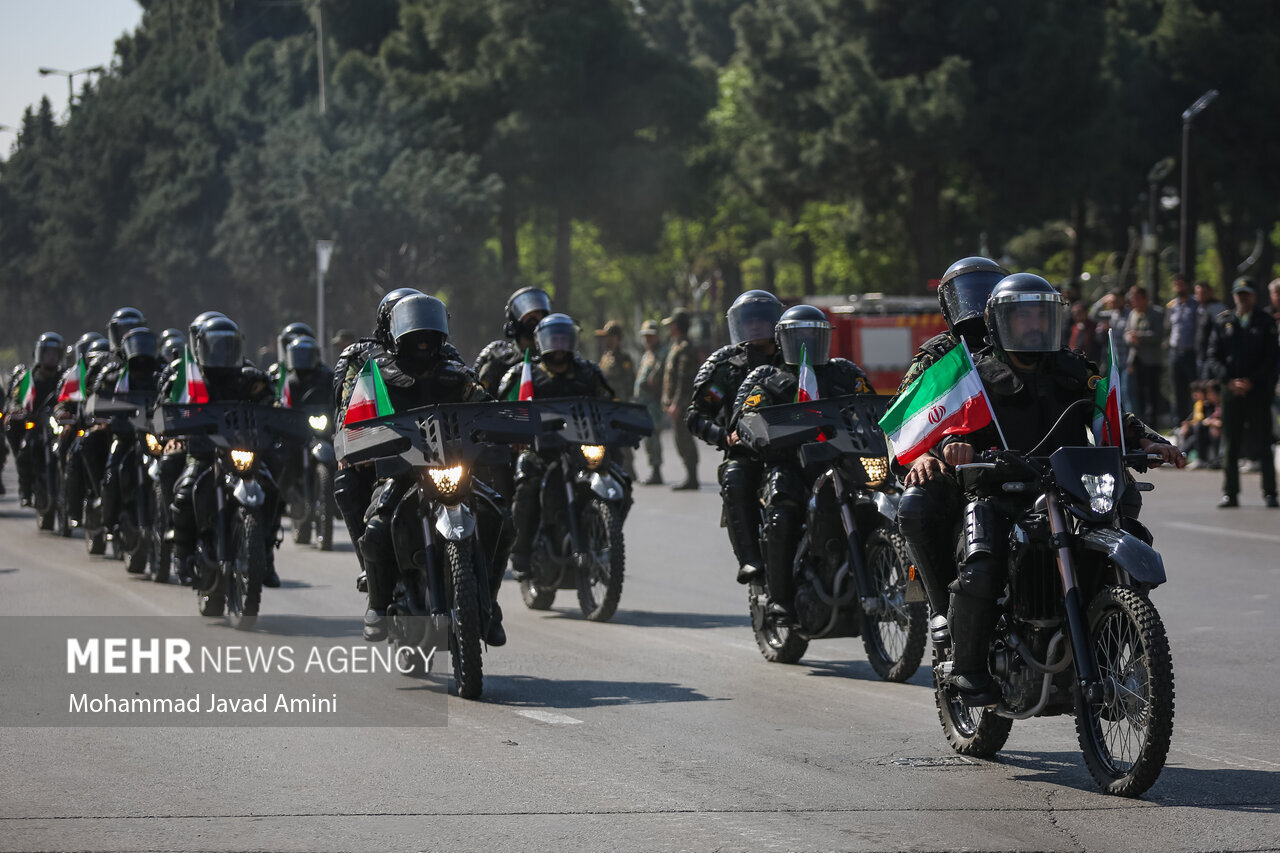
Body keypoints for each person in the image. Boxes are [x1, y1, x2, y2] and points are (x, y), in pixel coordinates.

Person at [911, 274, 1181, 704]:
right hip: (999, 490)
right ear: (999, 321)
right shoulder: (973, 373)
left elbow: (1108, 413)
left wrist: (1149, 441)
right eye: (1022, 316)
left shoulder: (1072, 368)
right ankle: (967, 671)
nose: (1033, 324)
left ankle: (1114, 651)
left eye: (1041, 315)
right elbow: (948, 421)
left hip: (1068, 488)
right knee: (981, 564)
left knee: (1131, 538)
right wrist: (950, 445)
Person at [355, 294, 511, 646]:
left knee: (502, 519)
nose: (422, 339)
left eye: (428, 330)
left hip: (454, 466)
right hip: (402, 473)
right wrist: (360, 448)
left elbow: (485, 406)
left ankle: (490, 603)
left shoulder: (457, 375)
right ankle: (377, 607)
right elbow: (359, 421)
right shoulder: (380, 376)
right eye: (414, 331)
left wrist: (504, 427)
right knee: (376, 529)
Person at [730, 305, 874, 624]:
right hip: (790, 464)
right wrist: (757, 435)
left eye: (814, 334)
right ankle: (780, 600)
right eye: (799, 335)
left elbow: (873, 412)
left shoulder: (846, 373)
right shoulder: (768, 377)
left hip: (844, 462)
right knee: (781, 512)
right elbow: (747, 416)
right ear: (782, 340)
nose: (807, 340)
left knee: (886, 504)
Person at [896, 257, 1006, 622]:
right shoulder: (938, 357)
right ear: (948, 303)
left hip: (1023, 463)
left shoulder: (1027, 347)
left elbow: (1085, 398)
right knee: (915, 505)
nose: (977, 304)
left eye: (987, 293)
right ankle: (946, 612)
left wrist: (1141, 438)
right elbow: (902, 424)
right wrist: (922, 458)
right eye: (968, 294)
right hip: (961, 471)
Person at [499, 313, 615, 581]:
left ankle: (605, 536)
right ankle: (521, 553)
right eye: (554, 339)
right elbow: (502, 410)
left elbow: (609, 405)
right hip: (540, 451)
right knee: (526, 487)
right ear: (541, 342)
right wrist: (514, 432)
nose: (559, 346)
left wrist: (618, 426)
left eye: (564, 339)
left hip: (581, 449)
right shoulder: (524, 373)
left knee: (622, 483)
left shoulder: (589, 372)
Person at [167, 317, 280, 589]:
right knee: (185, 493)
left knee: (272, 489)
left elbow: (270, 402)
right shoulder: (186, 377)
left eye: (226, 346)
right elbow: (168, 406)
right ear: (200, 346)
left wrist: (274, 414)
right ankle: (182, 556)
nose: (220, 352)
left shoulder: (250, 377)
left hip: (241, 450)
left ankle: (265, 554)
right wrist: (174, 429)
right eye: (214, 346)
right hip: (203, 453)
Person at [686, 290, 785, 584]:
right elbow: (696, 415)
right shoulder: (726, 366)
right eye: (748, 320)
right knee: (735, 478)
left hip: (798, 446)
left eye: (762, 319)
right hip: (749, 450)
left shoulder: (795, 355)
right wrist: (724, 437)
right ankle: (750, 559)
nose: (755, 325)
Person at [1204, 277, 1279, 508]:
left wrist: (1252, 382)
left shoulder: (1265, 322)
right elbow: (1213, 355)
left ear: (1254, 295)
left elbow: (1272, 358)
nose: (1242, 297)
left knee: (1263, 442)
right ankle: (1230, 492)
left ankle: (1270, 492)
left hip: (1256, 391)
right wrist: (1228, 380)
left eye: (1246, 293)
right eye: (1239, 293)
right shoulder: (1225, 321)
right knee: (1232, 443)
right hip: (1231, 391)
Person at [5, 332, 64, 504]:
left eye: (55, 353)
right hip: (34, 424)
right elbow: (16, 399)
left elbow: (71, 399)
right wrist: (16, 410)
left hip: (55, 425)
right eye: (48, 353)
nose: (51, 358)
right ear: (39, 353)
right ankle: (25, 489)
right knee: (25, 452)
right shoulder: (27, 378)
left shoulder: (64, 378)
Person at [474, 286, 552, 398]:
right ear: (514, 319)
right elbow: (480, 401)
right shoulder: (499, 357)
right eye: (529, 311)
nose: (535, 316)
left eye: (540, 313)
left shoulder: (554, 357)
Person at [662, 308, 699, 490]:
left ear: (676, 326)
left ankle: (692, 477)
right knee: (680, 438)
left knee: (684, 438)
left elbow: (683, 379)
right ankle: (690, 475)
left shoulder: (685, 347)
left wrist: (676, 403)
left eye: (671, 325)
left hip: (684, 403)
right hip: (679, 402)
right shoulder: (676, 345)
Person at [595, 320, 637, 478]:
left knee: (622, 439)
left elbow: (629, 381)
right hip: (606, 406)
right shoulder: (606, 357)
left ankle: (629, 471)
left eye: (609, 337)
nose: (606, 340)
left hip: (619, 404)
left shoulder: (623, 358)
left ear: (617, 338)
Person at [1124, 286, 1164, 428]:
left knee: (1152, 394)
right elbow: (1127, 334)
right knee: (1138, 394)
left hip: (1152, 361)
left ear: (1145, 298)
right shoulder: (1132, 314)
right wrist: (1131, 339)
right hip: (1136, 361)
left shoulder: (1157, 313)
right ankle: (1141, 424)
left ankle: (1153, 424)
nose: (1134, 302)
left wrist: (1138, 337)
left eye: (1137, 298)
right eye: (1132, 299)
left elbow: (1158, 334)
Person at [632, 320, 667, 484]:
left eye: (650, 336)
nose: (648, 339)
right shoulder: (648, 354)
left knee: (653, 436)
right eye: (645, 336)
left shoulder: (662, 352)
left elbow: (658, 377)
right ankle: (654, 468)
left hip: (653, 401)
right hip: (644, 403)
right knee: (648, 437)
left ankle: (656, 470)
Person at [1166, 275, 1199, 424]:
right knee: (1177, 389)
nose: (1178, 287)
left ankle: (1195, 420)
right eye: (1176, 284)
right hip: (1175, 352)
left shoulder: (1196, 304)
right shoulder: (1172, 306)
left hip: (1191, 351)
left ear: (1188, 285)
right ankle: (1179, 422)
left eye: (1181, 284)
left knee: (1194, 389)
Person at [1194, 281, 1226, 378]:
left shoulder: (1218, 308)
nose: (1201, 296)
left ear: (1211, 292)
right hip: (1200, 356)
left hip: (1212, 358)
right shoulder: (1200, 308)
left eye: (1203, 293)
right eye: (1198, 293)